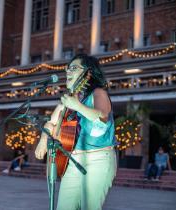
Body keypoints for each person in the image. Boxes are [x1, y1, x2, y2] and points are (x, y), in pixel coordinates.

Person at [35, 54, 117, 210]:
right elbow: (51, 123)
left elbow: (103, 116)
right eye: (67, 69)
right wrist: (43, 139)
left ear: (88, 73)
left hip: (98, 159)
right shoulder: (68, 101)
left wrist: (78, 106)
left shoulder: (98, 93)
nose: (68, 72)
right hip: (73, 160)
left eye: (73, 68)